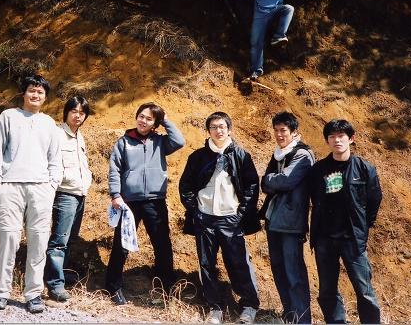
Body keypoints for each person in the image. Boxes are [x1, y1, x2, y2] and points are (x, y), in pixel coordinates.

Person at [0, 74, 62, 313]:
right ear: (24, 93)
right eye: (32, 90)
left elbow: (55, 158)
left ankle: (33, 294)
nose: (35, 95)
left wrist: (52, 185)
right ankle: (1, 292)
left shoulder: (49, 123)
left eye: (40, 92)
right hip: (10, 186)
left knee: (39, 241)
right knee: (8, 239)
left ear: (45, 97)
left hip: (41, 188)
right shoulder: (8, 116)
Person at [179, 112, 261, 324]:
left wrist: (240, 214)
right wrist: (195, 211)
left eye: (222, 126)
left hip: (230, 218)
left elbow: (252, 186)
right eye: (214, 127)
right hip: (204, 218)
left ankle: (249, 306)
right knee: (206, 264)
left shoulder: (241, 155)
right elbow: (185, 186)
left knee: (238, 263)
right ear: (208, 131)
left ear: (229, 129)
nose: (218, 130)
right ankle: (214, 308)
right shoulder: (198, 157)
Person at [105, 102, 185, 305]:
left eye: (149, 119)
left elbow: (179, 141)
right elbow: (114, 169)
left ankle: (166, 286)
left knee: (162, 243)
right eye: (141, 116)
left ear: (155, 123)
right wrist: (115, 195)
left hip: (155, 201)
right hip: (129, 201)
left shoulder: (161, 142)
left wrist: (165, 120)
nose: (143, 121)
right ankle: (113, 287)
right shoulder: (124, 142)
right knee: (121, 244)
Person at [308, 119, 383, 324]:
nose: (337, 140)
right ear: (327, 141)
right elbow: (314, 198)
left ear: (351, 139)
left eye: (341, 136)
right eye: (332, 137)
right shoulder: (318, 170)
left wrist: (363, 226)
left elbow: (374, 199)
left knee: (364, 290)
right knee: (327, 290)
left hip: (353, 239)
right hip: (325, 239)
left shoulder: (365, 168)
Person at [222, 0, 320, 80]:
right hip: (260, 15)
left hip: (275, 10)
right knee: (255, 43)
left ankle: (278, 36)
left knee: (289, 9)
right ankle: (256, 71)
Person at [260, 112, 314, 323]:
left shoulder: (303, 154)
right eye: (276, 130)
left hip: (291, 222)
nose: (279, 134)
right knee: (279, 269)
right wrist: (271, 181)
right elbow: (265, 184)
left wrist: (270, 180)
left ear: (294, 132)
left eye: (283, 130)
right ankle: (289, 315)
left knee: (294, 273)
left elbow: (285, 181)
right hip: (274, 220)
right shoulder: (279, 154)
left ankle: (302, 319)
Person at [44, 96, 92, 302]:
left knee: (70, 238)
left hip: (79, 194)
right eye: (74, 111)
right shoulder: (56, 134)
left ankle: (61, 273)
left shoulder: (80, 136)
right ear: (66, 112)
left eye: (82, 113)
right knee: (59, 241)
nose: (78, 116)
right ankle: (54, 284)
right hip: (64, 194)